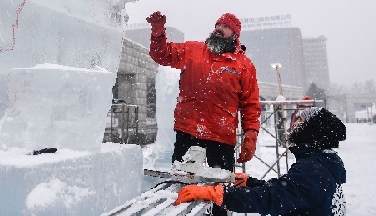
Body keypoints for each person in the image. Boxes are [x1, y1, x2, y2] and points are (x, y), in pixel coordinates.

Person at [174, 107, 347, 216]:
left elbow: (272, 199)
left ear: (312, 131)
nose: (294, 125)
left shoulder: (313, 170)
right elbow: (289, 191)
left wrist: (220, 194)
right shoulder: (322, 163)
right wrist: (250, 183)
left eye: (300, 121)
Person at [146, 11, 261, 168]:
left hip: (221, 138)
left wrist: (251, 134)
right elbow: (162, 55)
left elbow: (251, 104)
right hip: (188, 132)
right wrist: (158, 32)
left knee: (218, 187)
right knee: (183, 182)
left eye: (226, 27)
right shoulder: (192, 50)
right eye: (218, 25)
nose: (220, 29)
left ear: (235, 35)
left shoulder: (244, 66)